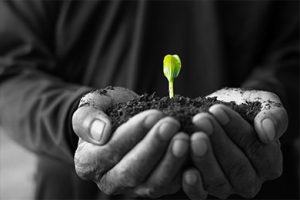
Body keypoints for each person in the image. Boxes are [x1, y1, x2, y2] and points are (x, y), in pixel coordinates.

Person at [0, 0, 298, 199]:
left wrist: (258, 112)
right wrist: (74, 119)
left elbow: (292, 52)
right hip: (77, 190)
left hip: (252, 183)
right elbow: (11, 68)